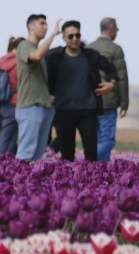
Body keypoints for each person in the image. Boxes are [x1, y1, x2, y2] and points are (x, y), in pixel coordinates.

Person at [46, 21, 118, 162]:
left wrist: (112, 84)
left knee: (91, 155)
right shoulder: (55, 56)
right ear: (64, 38)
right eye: (71, 36)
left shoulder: (90, 56)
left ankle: (91, 182)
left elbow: (111, 69)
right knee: (67, 156)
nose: (75, 39)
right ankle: (67, 183)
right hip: (63, 111)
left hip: (88, 111)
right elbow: (38, 65)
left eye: (77, 35)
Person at [16, 14, 61, 161]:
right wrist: (53, 35)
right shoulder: (24, 46)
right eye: (42, 24)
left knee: (37, 155)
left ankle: (30, 183)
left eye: (47, 24)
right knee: (26, 153)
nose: (46, 27)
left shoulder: (37, 49)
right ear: (31, 26)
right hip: (30, 107)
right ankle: (18, 182)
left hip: (43, 106)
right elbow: (36, 56)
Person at [88, 17, 129, 162]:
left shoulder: (88, 48)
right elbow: (121, 78)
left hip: (90, 101)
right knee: (108, 140)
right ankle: (90, 163)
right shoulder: (115, 50)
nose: (116, 32)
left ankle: (102, 172)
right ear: (110, 29)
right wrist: (124, 104)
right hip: (108, 102)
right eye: (116, 29)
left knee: (98, 139)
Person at [0, 37, 21, 156]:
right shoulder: (20, 63)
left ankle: (15, 170)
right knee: (6, 145)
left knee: (9, 142)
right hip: (13, 106)